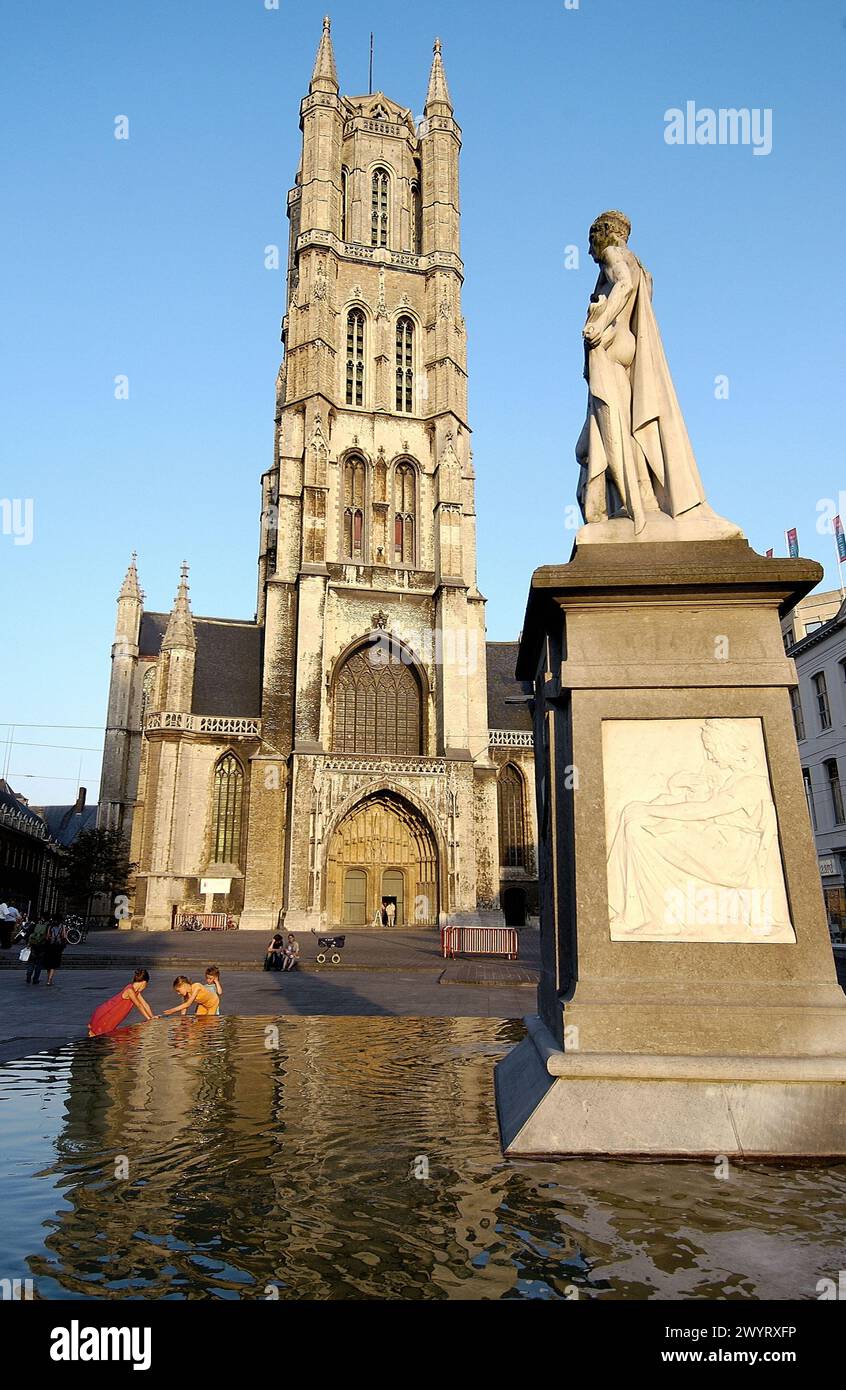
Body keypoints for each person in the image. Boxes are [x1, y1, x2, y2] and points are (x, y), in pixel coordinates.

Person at [88, 969, 157, 1036]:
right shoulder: (130, 990)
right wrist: (148, 1018)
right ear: (144, 982)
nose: (145, 987)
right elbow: (139, 1005)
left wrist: (152, 1016)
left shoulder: (136, 992)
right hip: (107, 1013)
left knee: (102, 1034)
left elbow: (144, 1004)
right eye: (146, 985)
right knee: (96, 1034)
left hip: (112, 1015)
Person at [42, 918, 68, 986]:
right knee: (54, 964)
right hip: (58, 947)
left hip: (49, 947)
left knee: (48, 964)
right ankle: (49, 980)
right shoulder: (62, 927)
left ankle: (48, 978)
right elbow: (64, 936)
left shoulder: (50, 926)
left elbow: (47, 937)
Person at [24, 917, 49, 984]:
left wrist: (28, 944)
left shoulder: (33, 926)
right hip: (42, 948)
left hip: (33, 946)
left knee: (31, 963)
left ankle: (28, 977)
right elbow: (47, 938)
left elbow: (27, 936)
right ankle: (35, 979)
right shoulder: (46, 927)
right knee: (39, 965)